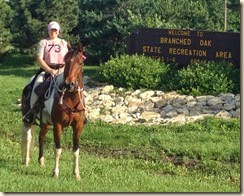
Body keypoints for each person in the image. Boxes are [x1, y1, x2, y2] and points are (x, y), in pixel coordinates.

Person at [23, 21, 69, 124]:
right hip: (46, 70)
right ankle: (32, 111)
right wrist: (50, 70)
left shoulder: (64, 43)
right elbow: (39, 58)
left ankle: (81, 112)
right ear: (48, 31)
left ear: (58, 32)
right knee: (36, 85)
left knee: (75, 86)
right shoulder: (43, 42)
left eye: (55, 30)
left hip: (62, 70)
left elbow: (68, 58)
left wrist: (62, 70)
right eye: (51, 30)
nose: (53, 32)